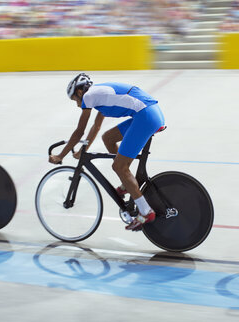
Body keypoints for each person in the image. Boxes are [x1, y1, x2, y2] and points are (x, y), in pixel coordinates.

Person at [49, 73, 165, 231]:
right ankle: (127, 183)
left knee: (119, 167)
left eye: (75, 100)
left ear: (80, 92)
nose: (77, 105)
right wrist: (84, 149)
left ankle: (145, 212)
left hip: (145, 116)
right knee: (108, 138)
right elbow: (96, 127)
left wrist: (60, 156)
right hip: (149, 113)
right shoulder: (98, 96)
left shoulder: (90, 96)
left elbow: (79, 132)